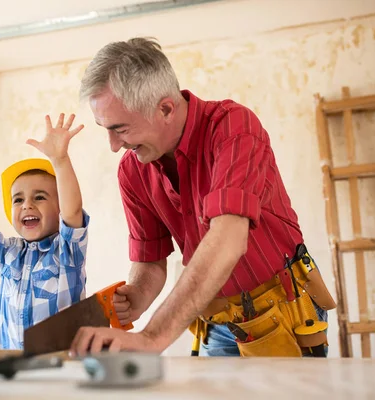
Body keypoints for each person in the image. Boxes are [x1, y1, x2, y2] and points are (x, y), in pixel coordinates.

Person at [69, 37, 335, 357]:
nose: (113, 145)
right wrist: (138, 293)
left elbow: (228, 239)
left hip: (284, 311)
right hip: (217, 322)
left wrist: (153, 337)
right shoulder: (132, 170)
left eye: (120, 129)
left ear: (166, 108)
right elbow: (151, 260)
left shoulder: (233, 127)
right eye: (105, 129)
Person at [0, 113, 90, 350]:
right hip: (12, 370)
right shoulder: (8, 253)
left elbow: (72, 212)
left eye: (39, 197)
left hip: (59, 372)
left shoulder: (67, 251)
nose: (27, 205)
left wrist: (60, 160)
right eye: (18, 200)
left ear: (59, 208)